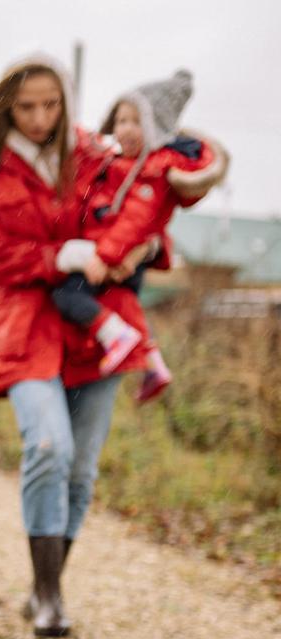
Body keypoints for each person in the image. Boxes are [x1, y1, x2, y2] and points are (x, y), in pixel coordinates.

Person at [0, 57, 156, 639]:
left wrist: (147, 240)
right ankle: (47, 593)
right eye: (27, 106)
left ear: (65, 103)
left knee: (81, 471)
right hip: (25, 325)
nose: (39, 118)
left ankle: (49, 586)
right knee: (49, 447)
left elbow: (143, 199)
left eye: (50, 104)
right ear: (9, 106)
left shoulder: (94, 154)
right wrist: (57, 257)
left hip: (97, 328)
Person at [51, 69, 228, 403]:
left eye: (136, 121)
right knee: (124, 305)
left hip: (111, 255)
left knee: (67, 297)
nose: (125, 129)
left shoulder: (151, 171)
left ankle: (116, 337)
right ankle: (153, 363)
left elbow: (135, 221)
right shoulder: (116, 164)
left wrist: (105, 258)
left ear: (156, 129)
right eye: (121, 120)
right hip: (114, 253)